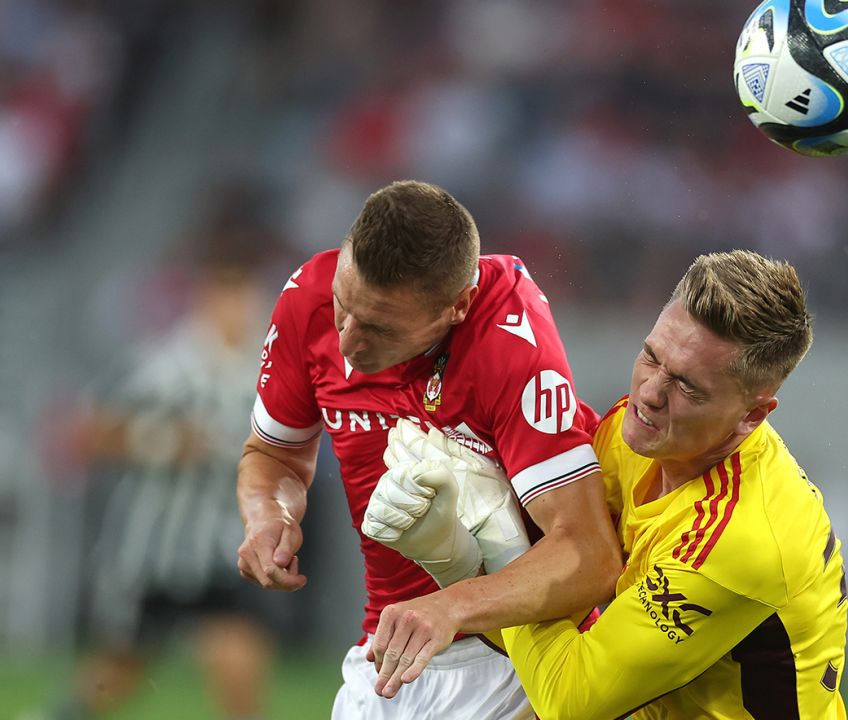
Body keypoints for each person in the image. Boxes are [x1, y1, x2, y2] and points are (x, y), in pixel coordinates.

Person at [372, 250, 848, 718]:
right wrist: (452, 555)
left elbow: (567, 699)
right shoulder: (638, 439)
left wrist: (491, 544)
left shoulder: (738, 543)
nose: (648, 393)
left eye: (687, 387)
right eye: (651, 355)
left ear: (752, 415)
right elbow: (553, 621)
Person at [236, 180, 621, 718]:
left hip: (520, 660)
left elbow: (590, 555)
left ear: (457, 306)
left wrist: (452, 607)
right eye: (344, 309)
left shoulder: (510, 344)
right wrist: (267, 514)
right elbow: (273, 455)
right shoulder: (308, 295)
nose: (347, 342)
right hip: (388, 651)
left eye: (379, 328)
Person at [44, 248, 279, 720]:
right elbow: (89, 430)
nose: (241, 309)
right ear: (208, 300)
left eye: (248, 298)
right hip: (152, 552)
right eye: (230, 298)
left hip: (217, 550)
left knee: (240, 659)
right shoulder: (168, 366)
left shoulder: (262, 369)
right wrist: (166, 441)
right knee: (120, 671)